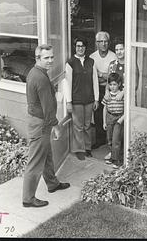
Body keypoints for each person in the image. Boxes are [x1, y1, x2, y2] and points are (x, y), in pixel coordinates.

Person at [22, 45, 70, 208]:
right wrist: (56, 127)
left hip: (39, 121)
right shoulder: (40, 77)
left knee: (47, 154)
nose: (50, 60)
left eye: (51, 57)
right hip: (40, 124)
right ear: (38, 58)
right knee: (35, 161)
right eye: (46, 58)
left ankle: (52, 183)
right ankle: (28, 198)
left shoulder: (36, 72)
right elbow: (48, 108)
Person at [65, 37, 99, 160]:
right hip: (76, 99)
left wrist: (96, 99)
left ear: (86, 48)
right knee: (78, 126)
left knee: (87, 125)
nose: (80, 48)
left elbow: (95, 81)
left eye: (83, 46)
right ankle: (79, 149)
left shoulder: (91, 62)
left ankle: (87, 148)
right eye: (78, 46)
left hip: (89, 99)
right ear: (75, 47)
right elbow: (67, 83)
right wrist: (69, 101)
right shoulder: (70, 63)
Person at [90, 31, 117, 149]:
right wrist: (104, 75)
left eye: (106, 41)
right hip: (96, 89)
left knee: (111, 115)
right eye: (101, 41)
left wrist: (100, 74)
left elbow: (113, 77)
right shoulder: (92, 57)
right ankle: (100, 139)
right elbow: (92, 76)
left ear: (109, 43)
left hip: (110, 90)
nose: (104, 44)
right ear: (97, 43)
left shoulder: (114, 56)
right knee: (98, 115)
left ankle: (111, 140)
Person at [102, 73, 124, 168]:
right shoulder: (108, 96)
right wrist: (104, 121)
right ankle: (112, 155)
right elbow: (104, 108)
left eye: (115, 84)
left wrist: (122, 119)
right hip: (109, 117)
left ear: (119, 84)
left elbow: (126, 107)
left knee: (116, 139)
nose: (112, 87)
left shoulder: (122, 94)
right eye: (110, 85)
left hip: (118, 118)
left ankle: (117, 159)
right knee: (110, 139)